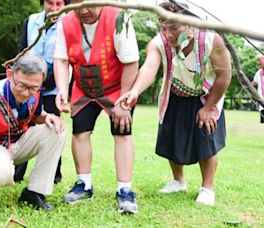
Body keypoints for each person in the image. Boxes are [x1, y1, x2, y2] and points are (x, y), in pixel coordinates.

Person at [116, 2, 231, 206]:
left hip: (205, 95)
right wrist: (134, 91)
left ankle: (207, 188)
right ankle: (178, 181)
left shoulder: (210, 39)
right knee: (173, 139)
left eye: (174, 27)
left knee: (206, 140)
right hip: (175, 94)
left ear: (188, 22)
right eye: (163, 27)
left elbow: (224, 75)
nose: (168, 34)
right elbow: (150, 67)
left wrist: (208, 107)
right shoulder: (159, 42)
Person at [0, 53, 66, 228]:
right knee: (3, 172)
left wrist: (47, 116)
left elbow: (35, 114)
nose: (26, 93)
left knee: (57, 131)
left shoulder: (35, 92)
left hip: (18, 141)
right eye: (22, 85)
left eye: (33, 88)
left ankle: (34, 192)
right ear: (10, 75)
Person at [54, 0, 140, 214]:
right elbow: (61, 60)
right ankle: (84, 184)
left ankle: (124, 190)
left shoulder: (120, 18)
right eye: (75, 4)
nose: (83, 10)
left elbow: (131, 62)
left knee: (122, 133)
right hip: (84, 87)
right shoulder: (64, 22)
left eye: (88, 3)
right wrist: (62, 89)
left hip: (116, 87)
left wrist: (123, 102)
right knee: (80, 132)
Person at [14, 0, 69, 184]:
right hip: (28, 84)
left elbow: (66, 58)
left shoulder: (69, 23)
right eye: (49, 3)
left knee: (53, 127)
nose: (53, 8)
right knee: (23, 124)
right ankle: (17, 172)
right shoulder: (31, 21)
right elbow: (22, 50)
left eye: (59, 4)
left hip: (53, 86)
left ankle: (54, 174)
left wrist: (46, 81)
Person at [252, 55, 264, 123]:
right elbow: (254, 84)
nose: (258, 62)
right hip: (262, 103)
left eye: (259, 60)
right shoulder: (259, 73)